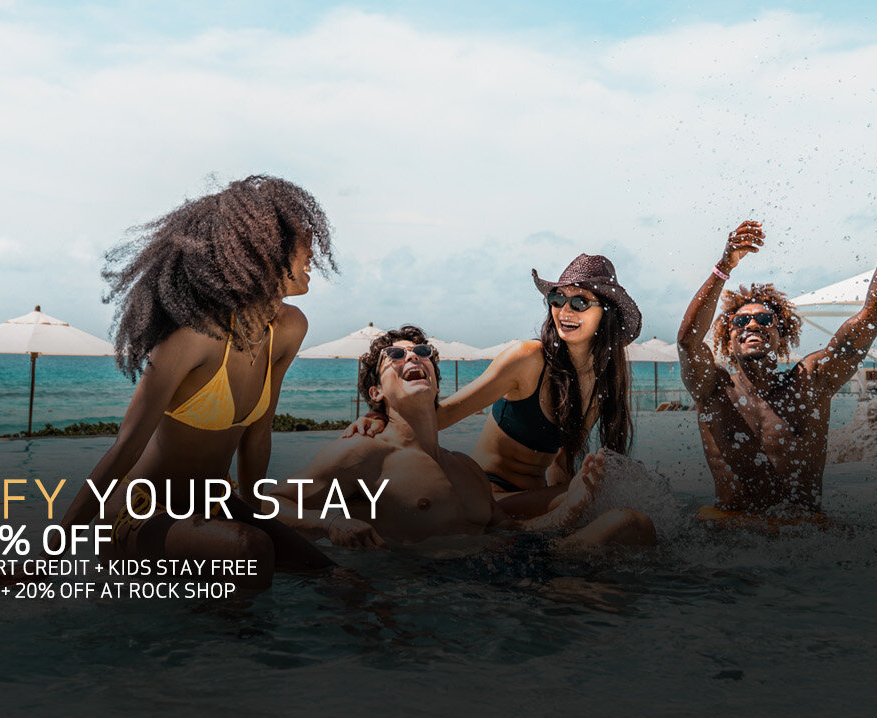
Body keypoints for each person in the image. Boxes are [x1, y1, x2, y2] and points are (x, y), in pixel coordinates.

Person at [54, 175, 338, 589]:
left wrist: (264, 514)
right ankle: (231, 653)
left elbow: (257, 436)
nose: (313, 251)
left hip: (212, 508)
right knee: (250, 549)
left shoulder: (289, 329)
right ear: (259, 251)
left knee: (336, 577)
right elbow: (126, 447)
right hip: (138, 513)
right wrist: (53, 551)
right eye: (300, 242)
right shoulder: (191, 338)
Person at [677, 178, 877, 521]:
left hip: (802, 535)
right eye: (740, 322)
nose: (752, 325)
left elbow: (874, 315)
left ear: (782, 336)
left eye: (765, 319)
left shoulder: (809, 383)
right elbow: (688, 342)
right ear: (726, 337)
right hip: (729, 534)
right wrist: (725, 266)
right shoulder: (713, 390)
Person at [283, 326, 656, 550]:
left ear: (434, 376)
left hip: (504, 578)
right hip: (428, 594)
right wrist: (330, 525)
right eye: (395, 355)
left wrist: (573, 505)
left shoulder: (465, 468)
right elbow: (266, 504)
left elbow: (515, 531)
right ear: (375, 393)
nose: (412, 357)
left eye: (423, 352)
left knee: (632, 524)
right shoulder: (362, 456)